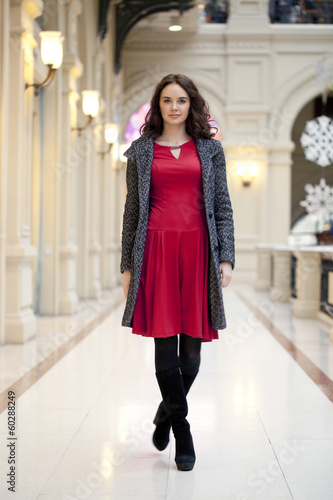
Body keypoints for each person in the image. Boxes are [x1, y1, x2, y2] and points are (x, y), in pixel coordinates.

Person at [120, 74, 235, 472]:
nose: (174, 107)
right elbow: (132, 212)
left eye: (181, 100)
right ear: (158, 105)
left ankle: (164, 412)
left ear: (191, 105)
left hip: (199, 251)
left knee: (193, 354)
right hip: (156, 250)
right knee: (165, 343)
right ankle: (182, 429)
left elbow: (222, 205)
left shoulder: (210, 151)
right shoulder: (141, 152)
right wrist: (127, 266)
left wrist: (226, 257)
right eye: (167, 100)